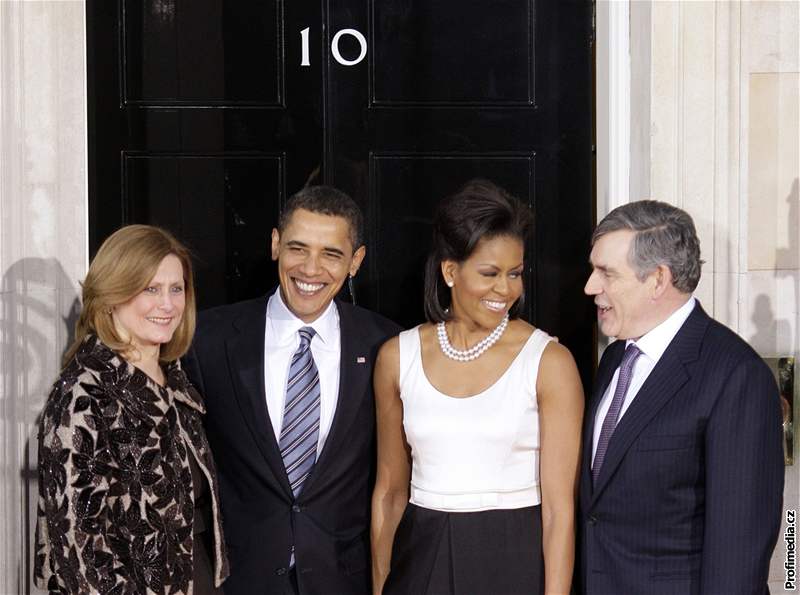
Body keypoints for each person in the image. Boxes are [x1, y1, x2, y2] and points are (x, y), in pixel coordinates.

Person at [183, 185, 401, 595]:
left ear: (356, 262)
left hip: (343, 584)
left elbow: (392, 482)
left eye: (331, 254)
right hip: (235, 583)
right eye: (298, 248)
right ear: (275, 244)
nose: (311, 269)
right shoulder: (208, 340)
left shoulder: (385, 346)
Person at [371, 179, 584, 595]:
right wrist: (381, 586)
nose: (506, 289)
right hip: (421, 555)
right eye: (490, 273)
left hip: (514, 557)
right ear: (450, 271)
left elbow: (560, 512)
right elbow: (390, 491)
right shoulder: (397, 357)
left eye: (515, 273)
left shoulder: (549, 362)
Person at [579, 200, 784, 595]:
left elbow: (737, 557)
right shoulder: (615, 360)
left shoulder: (736, 377)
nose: (590, 287)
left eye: (606, 272)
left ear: (658, 279)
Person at [34, 225, 229, 594]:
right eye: (150, 289)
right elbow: (78, 551)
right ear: (112, 295)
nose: (168, 304)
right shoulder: (84, 395)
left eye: (176, 288)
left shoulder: (177, 383)